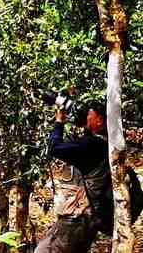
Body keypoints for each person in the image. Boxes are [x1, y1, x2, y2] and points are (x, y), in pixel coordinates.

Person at [35, 102, 112, 253]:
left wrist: (59, 122)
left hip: (79, 217)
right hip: (86, 216)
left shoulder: (91, 145)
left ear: (100, 120)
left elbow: (54, 148)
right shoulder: (104, 142)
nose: (84, 117)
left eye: (88, 115)